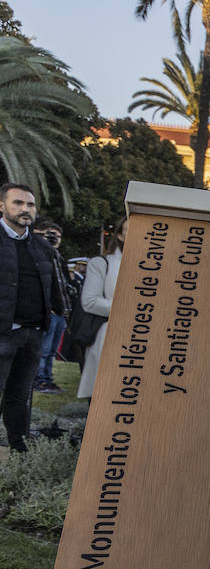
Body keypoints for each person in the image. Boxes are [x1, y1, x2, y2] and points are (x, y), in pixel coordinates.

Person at [0, 184, 65, 451]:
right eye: (18, 203)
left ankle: (20, 451)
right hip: (3, 333)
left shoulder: (41, 246)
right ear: (2, 206)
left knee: (21, 397)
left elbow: (54, 287)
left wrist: (58, 312)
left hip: (33, 334)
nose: (25, 209)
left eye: (30, 205)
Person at [79, 218, 126, 401]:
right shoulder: (102, 263)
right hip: (108, 334)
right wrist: (130, 309)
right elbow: (90, 301)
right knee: (104, 393)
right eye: (129, 230)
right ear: (120, 236)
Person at [32, 220, 72, 395]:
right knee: (44, 350)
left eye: (58, 236)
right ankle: (39, 380)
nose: (55, 239)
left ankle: (46, 379)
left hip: (60, 313)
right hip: (49, 313)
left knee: (51, 351)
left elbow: (64, 286)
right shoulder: (38, 254)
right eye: (50, 234)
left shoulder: (58, 257)